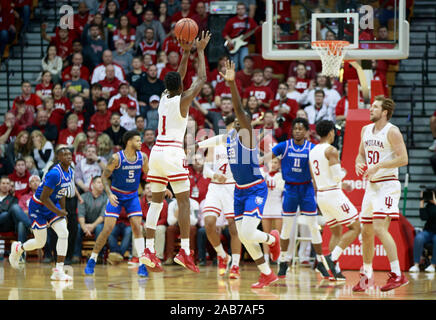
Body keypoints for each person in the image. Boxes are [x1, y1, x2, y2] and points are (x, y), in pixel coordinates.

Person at [199, 60, 280, 288]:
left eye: (240, 118)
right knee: (244, 236)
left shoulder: (247, 134)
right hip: (238, 191)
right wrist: (198, 143)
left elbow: (238, 108)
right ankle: (266, 273)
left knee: (246, 232)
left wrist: (232, 84)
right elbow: (216, 139)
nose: (237, 120)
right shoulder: (230, 137)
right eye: (235, 120)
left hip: (255, 187)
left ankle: (272, 239)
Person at [142, 31, 211, 273]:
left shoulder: (163, 97)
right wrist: (200, 50)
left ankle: (148, 249)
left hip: (157, 153)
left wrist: (185, 52)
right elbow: (200, 78)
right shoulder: (183, 100)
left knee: (155, 203)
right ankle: (185, 251)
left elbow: (178, 77)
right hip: (172, 152)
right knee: (184, 202)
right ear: (180, 86)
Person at [263, 117, 333, 279]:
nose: (298, 131)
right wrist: (251, 163)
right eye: (295, 128)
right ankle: (283, 261)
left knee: (313, 227)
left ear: (307, 131)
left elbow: (324, 163)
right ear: (292, 130)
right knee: (286, 228)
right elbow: (265, 157)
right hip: (290, 189)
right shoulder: (284, 146)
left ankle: (321, 262)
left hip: (307, 189)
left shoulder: (313, 148)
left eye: (301, 129)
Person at [353, 95, 409, 292]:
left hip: (388, 184)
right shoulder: (365, 130)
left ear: (385, 112)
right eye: (371, 106)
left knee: (378, 228)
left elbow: (403, 159)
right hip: (372, 185)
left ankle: (397, 274)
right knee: (366, 232)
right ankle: (367, 275)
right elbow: (360, 153)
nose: (370, 109)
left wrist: (379, 166)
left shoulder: (392, 131)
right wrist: (359, 163)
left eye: (375, 107)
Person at [84, 130, 149, 277]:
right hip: (117, 195)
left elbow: (148, 175)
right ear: (129, 142)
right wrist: (109, 193)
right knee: (107, 229)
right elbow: (105, 177)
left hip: (132, 196)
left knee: (137, 228)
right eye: (137, 140)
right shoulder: (116, 158)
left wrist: (158, 186)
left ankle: (142, 264)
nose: (140, 143)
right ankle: (92, 259)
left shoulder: (143, 157)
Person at [9, 147, 74, 281]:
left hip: (52, 204)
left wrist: (63, 212)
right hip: (38, 206)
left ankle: (59, 270)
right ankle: (18, 248)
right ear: (58, 158)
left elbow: (61, 193)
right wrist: (59, 211)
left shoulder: (70, 172)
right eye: (65, 154)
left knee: (64, 233)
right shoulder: (54, 173)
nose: (68, 156)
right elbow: (44, 198)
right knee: (40, 242)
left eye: (70, 154)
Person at [309, 120, 361, 281]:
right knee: (355, 227)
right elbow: (337, 175)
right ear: (331, 132)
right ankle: (332, 258)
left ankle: (334, 271)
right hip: (333, 194)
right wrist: (343, 176)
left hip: (321, 195)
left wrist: (340, 182)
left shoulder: (312, 150)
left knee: (336, 231)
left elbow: (315, 177)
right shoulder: (331, 150)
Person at [198, 114, 242, 278]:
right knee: (208, 223)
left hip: (232, 187)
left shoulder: (242, 146)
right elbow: (205, 171)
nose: (236, 129)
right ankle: (222, 255)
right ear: (227, 127)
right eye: (233, 126)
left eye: (238, 127)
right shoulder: (215, 144)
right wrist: (214, 176)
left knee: (233, 227)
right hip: (216, 186)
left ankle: (236, 265)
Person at [260, 157, 284, 266]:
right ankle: (266, 258)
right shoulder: (263, 174)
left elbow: (281, 189)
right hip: (266, 207)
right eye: (271, 162)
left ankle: (279, 258)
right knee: (266, 235)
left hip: (278, 206)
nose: (273, 164)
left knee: (278, 235)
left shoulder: (282, 176)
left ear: (279, 164)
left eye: (275, 162)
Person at [409, 190, 436, 273]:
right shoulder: (429, 206)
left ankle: (433, 265)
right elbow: (423, 217)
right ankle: (416, 264)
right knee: (419, 238)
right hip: (428, 231)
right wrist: (421, 201)